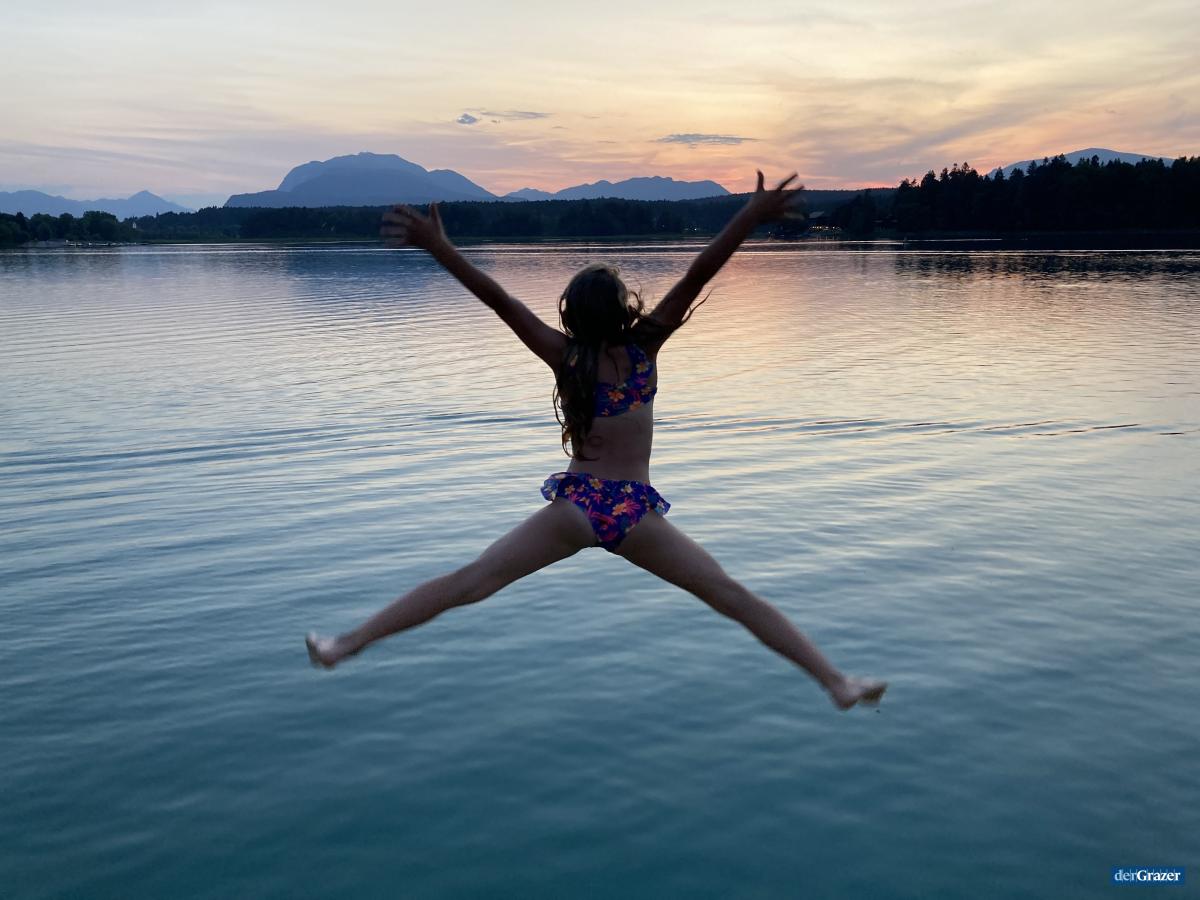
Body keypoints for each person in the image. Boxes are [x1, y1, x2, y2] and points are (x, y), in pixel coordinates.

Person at [306, 172, 886, 711]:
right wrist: (749, 217)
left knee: (471, 582)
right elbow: (698, 273)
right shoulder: (643, 349)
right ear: (624, 308)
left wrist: (439, 248)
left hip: (579, 507)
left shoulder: (566, 358)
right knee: (731, 596)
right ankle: (835, 682)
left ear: (571, 315)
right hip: (633, 512)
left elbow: (498, 299)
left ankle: (345, 645)